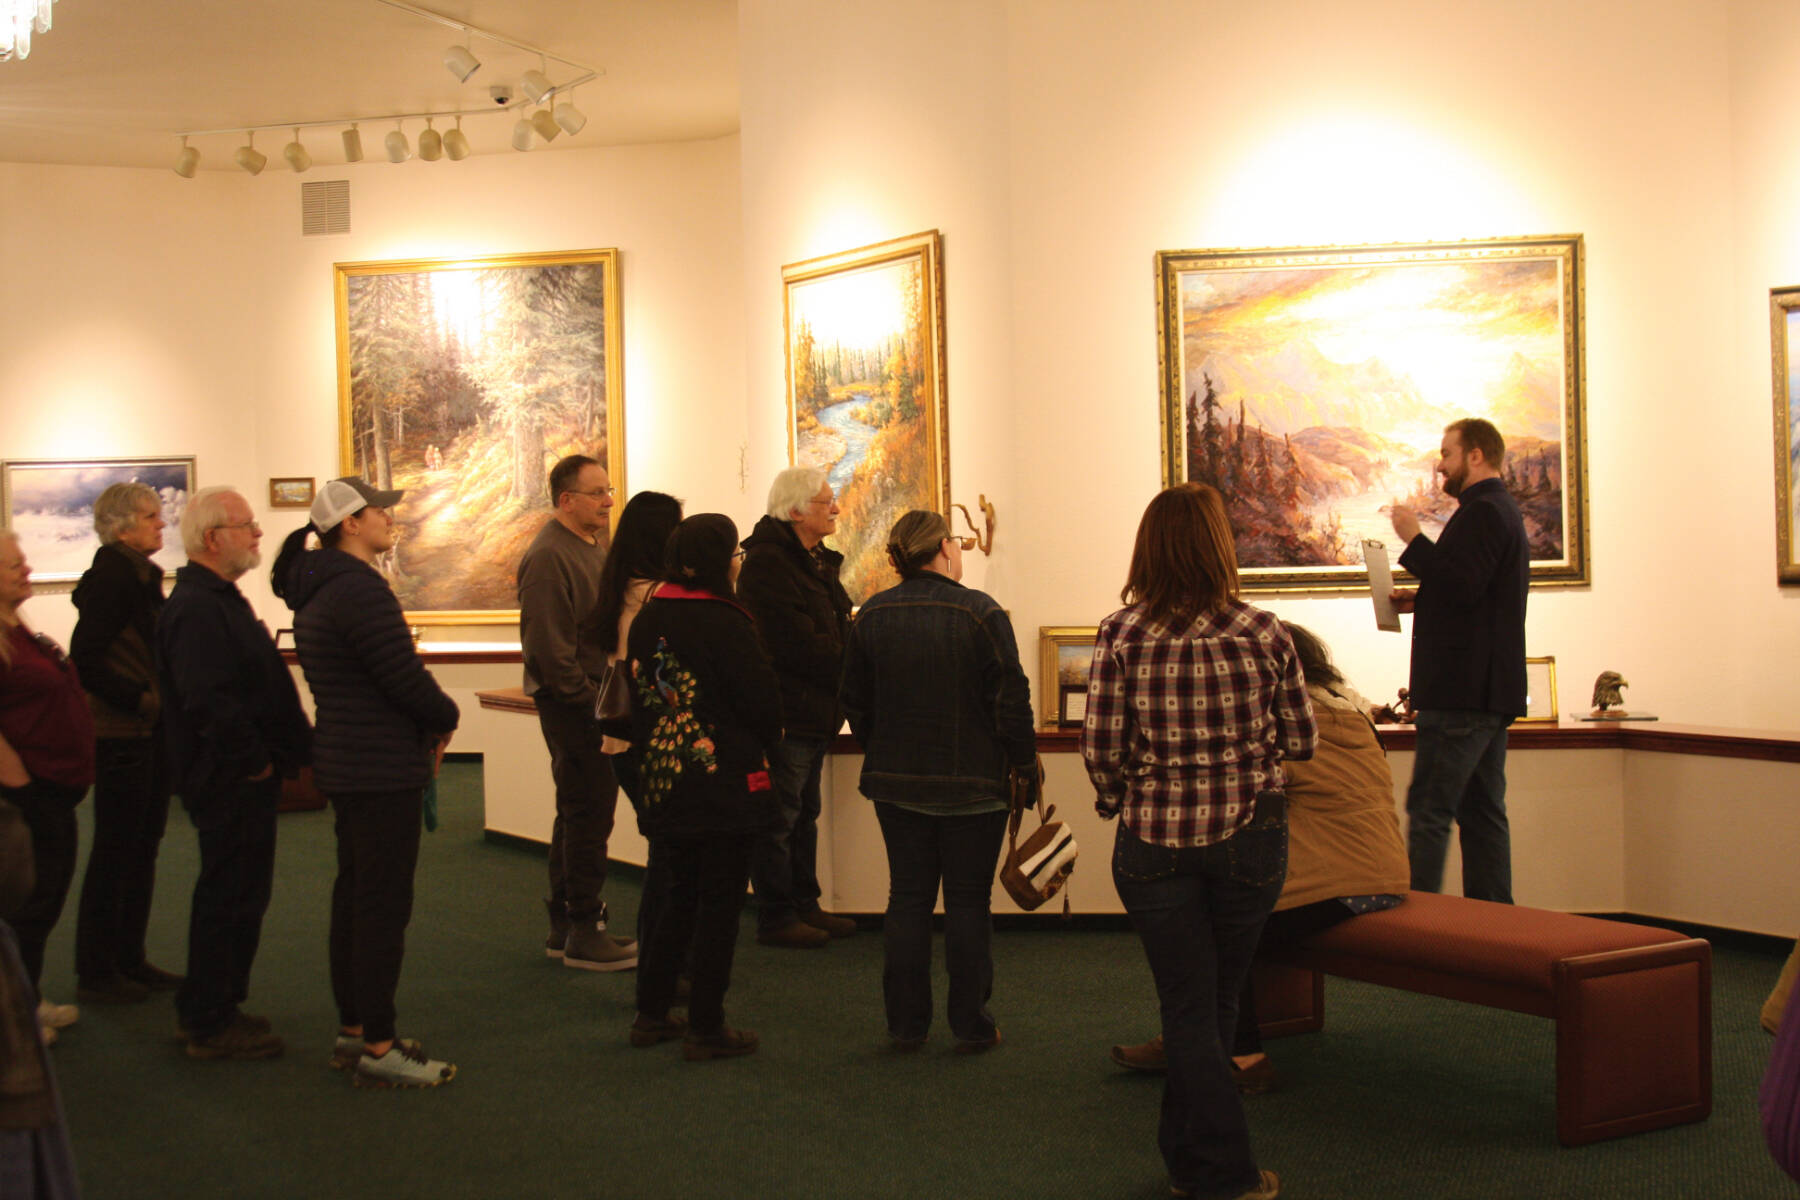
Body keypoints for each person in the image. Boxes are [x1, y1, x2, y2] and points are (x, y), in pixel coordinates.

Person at [1082, 483, 1314, 1200]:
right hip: (1250, 835)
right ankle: (1225, 1173)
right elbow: (1302, 740)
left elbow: (1102, 750)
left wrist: (1124, 795)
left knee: (1192, 1007)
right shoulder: (1266, 632)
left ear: (1147, 548)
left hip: (1153, 841)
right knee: (1212, 1005)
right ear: (1221, 547)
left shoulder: (1120, 634)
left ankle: (1192, 1159)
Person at [1110, 623, 1408, 1091]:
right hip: (1381, 873)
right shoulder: (1351, 712)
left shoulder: (1291, 721)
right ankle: (1195, 1039)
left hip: (1338, 882)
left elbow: (1239, 788)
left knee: (1216, 926)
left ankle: (1240, 1056)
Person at [274, 476, 460, 1089]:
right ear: (350, 523)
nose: (389, 518)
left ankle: (354, 1032)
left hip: (349, 762)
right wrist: (444, 717)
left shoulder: (318, 588)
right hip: (380, 767)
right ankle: (380, 1047)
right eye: (378, 510)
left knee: (355, 900)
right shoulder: (358, 590)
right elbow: (400, 676)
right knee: (380, 908)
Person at [841, 510, 1036, 1054]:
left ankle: (906, 1025)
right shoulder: (980, 612)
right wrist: (1024, 765)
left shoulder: (872, 615)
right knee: (969, 904)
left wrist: (881, 748)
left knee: (906, 899)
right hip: (975, 786)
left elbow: (854, 699)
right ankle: (971, 1024)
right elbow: (1011, 701)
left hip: (895, 783)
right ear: (945, 549)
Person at [158, 486, 310, 1060]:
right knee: (230, 896)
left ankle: (213, 1005)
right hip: (228, 779)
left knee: (236, 893)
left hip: (234, 776)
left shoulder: (214, 598)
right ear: (213, 537)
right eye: (247, 526)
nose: (258, 534)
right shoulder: (199, 607)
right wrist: (255, 762)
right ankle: (209, 1019)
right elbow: (208, 700)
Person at [625, 514, 781, 1061]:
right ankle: (706, 1026)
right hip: (723, 787)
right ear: (720, 560)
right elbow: (761, 702)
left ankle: (650, 1011)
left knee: (672, 897)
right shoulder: (726, 620)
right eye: (735, 553)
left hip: (666, 783)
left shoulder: (648, 619)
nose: (739, 561)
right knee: (718, 907)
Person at [1389, 416, 1528, 903]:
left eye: (1447, 454)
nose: (1440, 464)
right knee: (1482, 813)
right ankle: (1494, 928)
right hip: (1484, 692)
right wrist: (1421, 598)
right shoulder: (1493, 510)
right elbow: (1468, 588)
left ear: (1475, 455)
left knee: (1430, 810)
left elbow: (1465, 586)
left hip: (1462, 694)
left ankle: (1417, 932)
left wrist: (1413, 538)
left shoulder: (1485, 512)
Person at [518, 453, 636, 971]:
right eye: (598, 493)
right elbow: (549, 649)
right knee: (587, 813)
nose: (609, 501)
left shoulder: (595, 545)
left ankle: (567, 923)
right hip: (576, 707)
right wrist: (595, 708)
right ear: (567, 500)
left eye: (609, 491)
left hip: (593, 699)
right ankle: (584, 928)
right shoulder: (548, 556)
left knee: (582, 810)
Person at [70, 482, 182, 1005]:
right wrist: (141, 700)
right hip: (124, 735)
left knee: (141, 847)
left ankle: (129, 959)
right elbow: (86, 658)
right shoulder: (114, 577)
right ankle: (98, 969)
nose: (162, 524)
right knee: (118, 850)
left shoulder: (136, 574)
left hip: (145, 731)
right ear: (121, 525)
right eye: (151, 516)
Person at [737, 467, 855, 949]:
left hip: (815, 710)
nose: (836, 508)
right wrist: (851, 664)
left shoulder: (813, 560)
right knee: (780, 817)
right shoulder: (768, 565)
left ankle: (805, 904)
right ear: (795, 511)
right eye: (827, 501)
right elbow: (793, 645)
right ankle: (777, 915)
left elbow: (835, 626)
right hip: (789, 713)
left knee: (804, 813)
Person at [0, 530, 95, 1045]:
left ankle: (27, 998)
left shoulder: (17, 630)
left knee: (44, 903)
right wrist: (20, 783)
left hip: (55, 789)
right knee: (26, 908)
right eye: (13, 565)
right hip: (28, 797)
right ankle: (15, 1017)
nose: (26, 569)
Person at [590, 490, 684, 952]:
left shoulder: (616, 585)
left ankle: (661, 964)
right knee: (672, 858)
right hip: (652, 736)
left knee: (664, 853)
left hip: (620, 737)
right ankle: (664, 964)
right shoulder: (657, 598)